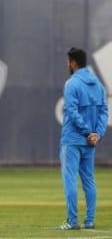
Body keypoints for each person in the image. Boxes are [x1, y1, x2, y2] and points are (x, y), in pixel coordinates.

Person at [56, 47, 108, 230]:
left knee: (70, 179)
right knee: (88, 180)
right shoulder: (99, 86)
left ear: (73, 62)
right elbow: (104, 112)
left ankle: (72, 221)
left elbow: (71, 110)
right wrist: (97, 134)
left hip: (73, 139)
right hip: (90, 141)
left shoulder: (72, 84)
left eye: (68, 61)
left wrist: (87, 132)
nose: (67, 64)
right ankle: (90, 220)